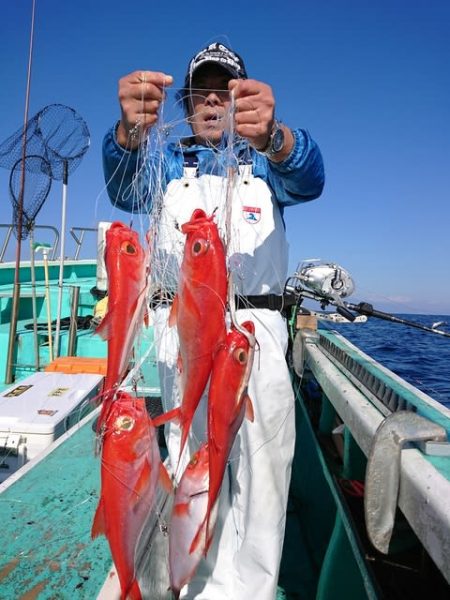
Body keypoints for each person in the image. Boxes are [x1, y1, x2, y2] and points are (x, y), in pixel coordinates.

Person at [103, 42, 325, 600]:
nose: (211, 101)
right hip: (186, 336)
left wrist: (276, 136)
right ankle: (195, 583)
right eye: (200, 90)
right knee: (189, 459)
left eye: (225, 90)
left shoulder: (268, 166)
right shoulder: (167, 168)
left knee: (263, 468)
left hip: (257, 335)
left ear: (242, 99)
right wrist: (128, 131)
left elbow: (311, 177)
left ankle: (252, 589)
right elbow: (119, 178)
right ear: (184, 100)